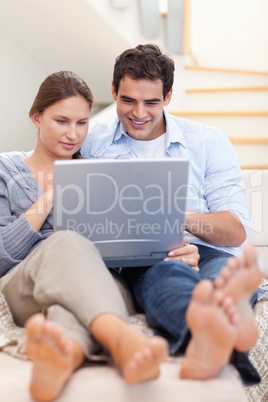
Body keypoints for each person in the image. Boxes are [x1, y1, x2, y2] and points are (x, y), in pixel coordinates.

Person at [80, 44, 263, 383]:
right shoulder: (93, 143)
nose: (138, 113)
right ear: (113, 91)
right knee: (167, 276)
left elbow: (235, 230)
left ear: (168, 96)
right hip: (144, 256)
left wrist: (172, 215)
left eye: (151, 102)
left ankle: (219, 319)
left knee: (224, 274)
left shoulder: (207, 142)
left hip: (209, 251)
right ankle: (222, 340)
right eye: (127, 100)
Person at [0, 71, 171, 402]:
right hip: (25, 285)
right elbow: (2, 256)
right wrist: (50, 194)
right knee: (65, 241)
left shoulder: (100, 174)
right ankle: (121, 339)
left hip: (96, 284)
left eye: (82, 123)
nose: (73, 134)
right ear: (37, 117)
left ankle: (65, 358)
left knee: (71, 309)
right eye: (62, 121)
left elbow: (123, 254)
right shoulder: (6, 171)